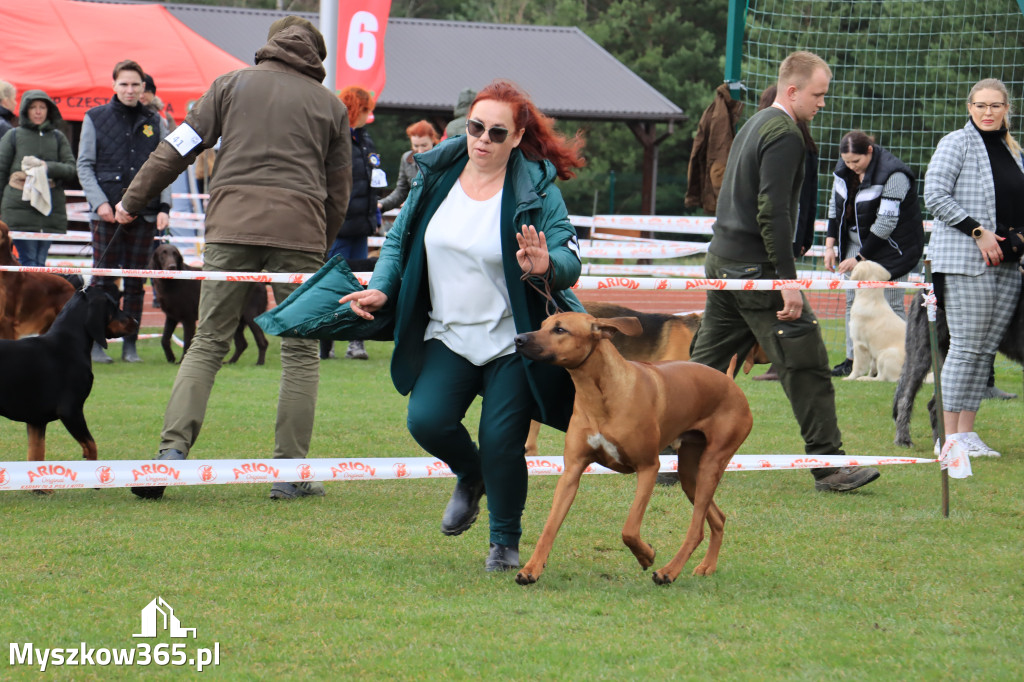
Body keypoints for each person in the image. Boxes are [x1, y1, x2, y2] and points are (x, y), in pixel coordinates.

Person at [340, 79, 585, 571]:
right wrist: (384, 285)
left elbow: (569, 258)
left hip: (511, 339)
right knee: (425, 419)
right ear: (465, 126)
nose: (483, 140)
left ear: (517, 137)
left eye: (498, 133)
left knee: (502, 441)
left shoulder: (536, 186)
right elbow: (398, 241)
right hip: (447, 335)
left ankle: (504, 541)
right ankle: (472, 476)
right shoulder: (435, 174)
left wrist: (545, 266)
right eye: (477, 127)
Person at [114, 16, 353, 499]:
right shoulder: (331, 106)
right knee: (301, 351)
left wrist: (131, 201)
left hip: (230, 226)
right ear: (316, 57)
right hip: (300, 232)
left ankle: (170, 456)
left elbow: (175, 148)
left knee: (207, 341)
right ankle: (287, 473)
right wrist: (319, 243)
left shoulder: (228, 86)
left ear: (270, 47)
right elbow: (339, 191)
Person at [687, 51, 881, 493]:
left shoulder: (755, 123)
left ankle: (668, 457)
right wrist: (787, 282)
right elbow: (772, 212)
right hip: (756, 270)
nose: (823, 103)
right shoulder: (785, 133)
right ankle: (829, 466)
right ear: (792, 91)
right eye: (818, 94)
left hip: (723, 261)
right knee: (808, 361)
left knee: (705, 367)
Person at [923, 78, 1024, 459]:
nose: (987, 112)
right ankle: (946, 438)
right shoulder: (956, 142)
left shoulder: (1013, 151)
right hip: (965, 263)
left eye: (995, 106)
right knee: (965, 349)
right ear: (970, 107)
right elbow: (934, 193)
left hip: (1007, 267)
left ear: (1006, 110)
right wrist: (978, 231)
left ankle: (966, 434)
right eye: (980, 105)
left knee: (984, 352)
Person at [77, 59, 171, 363]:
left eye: (135, 84)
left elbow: (167, 166)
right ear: (114, 85)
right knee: (102, 282)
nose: (130, 89)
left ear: (143, 87)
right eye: (124, 84)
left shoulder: (156, 121)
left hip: (144, 215)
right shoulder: (94, 117)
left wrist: (165, 206)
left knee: (135, 282)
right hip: (104, 215)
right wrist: (100, 204)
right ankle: (96, 342)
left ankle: (130, 344)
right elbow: (84, 165)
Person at [825, 130, 925, 377]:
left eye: (856, 162)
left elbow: (886, 223)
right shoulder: (843, 170)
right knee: (852, 302)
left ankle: (906, 363)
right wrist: (830, 246)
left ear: (869, 151)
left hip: (892, 246)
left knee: (891, 301)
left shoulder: (895, 175)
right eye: (846, 161)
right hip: (855, 242)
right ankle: (854, 363)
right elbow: (834, 208)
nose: (851, 167)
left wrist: (860, 257)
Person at [752, 85, 819, 382]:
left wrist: (798, 237)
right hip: (786, 233)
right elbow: (810, 199)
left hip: (777, 235)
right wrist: (805, 236)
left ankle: (791, 361)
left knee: (784, 302)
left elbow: (793, 200)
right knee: (781, 300)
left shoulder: (788, 146)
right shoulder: (804, 145)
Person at [322, 86, 383, 361]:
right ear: (355, 109)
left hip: (361, 227)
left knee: (361, 287)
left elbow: (372, 182)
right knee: (334, 285)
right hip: (339, 229)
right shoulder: (335, 138)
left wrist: (375, 217)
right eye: (366, 109)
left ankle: (356, 342)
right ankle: (326, 342)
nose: (369, 115)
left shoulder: (365, 140)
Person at [0, 90, 77, 267]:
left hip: (49, 208)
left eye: (42, 107)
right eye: (33, 107)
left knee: (39, 262)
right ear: (25, 110)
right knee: (29, 261)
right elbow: (1, 172)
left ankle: (31, 295)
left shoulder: (58, 137)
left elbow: (71, 169)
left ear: (49, 110)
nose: (38, 111)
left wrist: (47, 168)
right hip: (18, 207)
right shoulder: (13, 135)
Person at [377, 119, 438, 214]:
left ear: (432, 140)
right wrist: (382, 204)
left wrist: (415, 202)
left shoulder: (442, 158)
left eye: (424, 145)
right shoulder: (406, 159)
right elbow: (401, 191)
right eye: (416, 146)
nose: (420, 150)